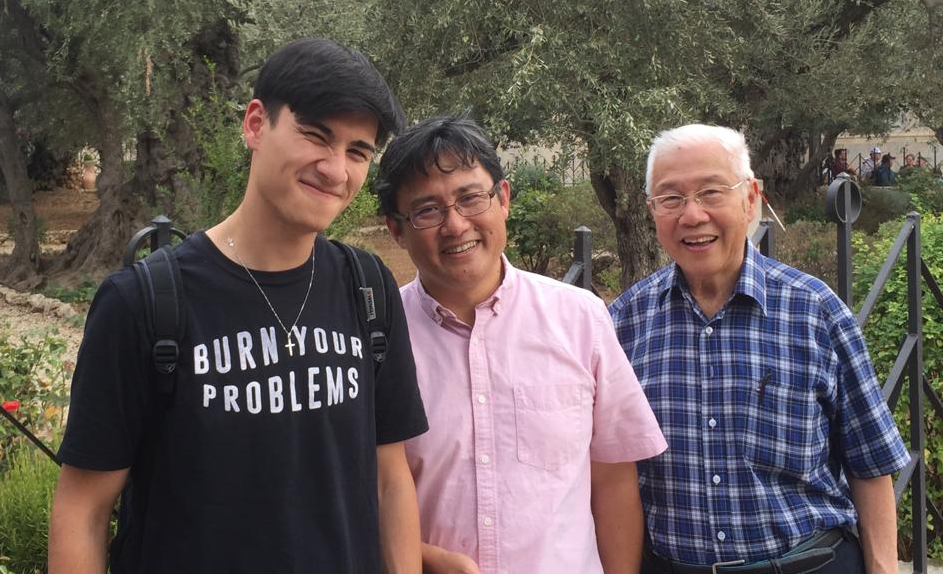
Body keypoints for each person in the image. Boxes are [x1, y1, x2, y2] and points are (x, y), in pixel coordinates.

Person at [48, 39, 428, 574]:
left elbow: (390, 481)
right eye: (316, 136)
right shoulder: (143, 304)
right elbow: (82, 510)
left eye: (358, 152)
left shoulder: (367, 289)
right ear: (255, 124)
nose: (335, 169)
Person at [374, 115, 667, 574]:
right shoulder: (376, 340)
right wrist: (425, 559)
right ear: (397, 228)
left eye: (471, 198)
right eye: (427, 210)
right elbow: (363, 493)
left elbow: (612, 481)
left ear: (503, 198)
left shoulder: (580, 319)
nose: (455, 225)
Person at [611, 123, 909, 574]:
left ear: (751, 198)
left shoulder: (815, 312)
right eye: (671, 199)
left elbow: (871, 462)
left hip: (809, 562)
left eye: (712, 192)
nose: (691, 216)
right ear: (653, 210)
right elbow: (608, 477)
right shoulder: (625, 323)